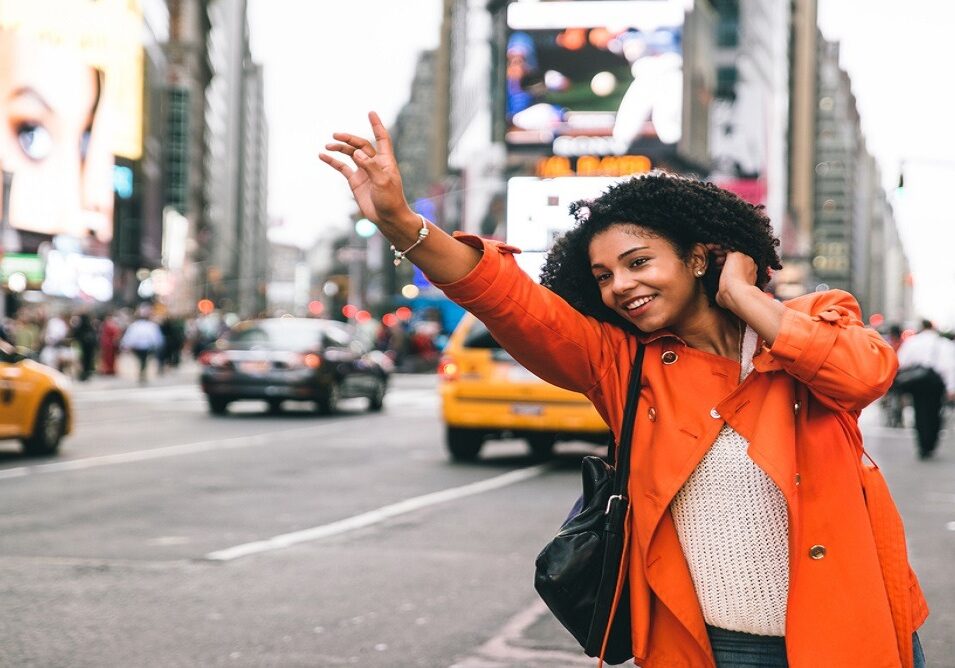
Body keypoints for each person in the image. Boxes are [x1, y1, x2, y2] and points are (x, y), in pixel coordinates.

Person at [321, 112, 928, 667]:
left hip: (856, 634)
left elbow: (862, 376)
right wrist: (403, 222)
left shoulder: (815, 319)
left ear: (699, 256)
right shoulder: (620, 364)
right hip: (710, 649)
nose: (620, 287)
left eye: (639, 263)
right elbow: (505, 297)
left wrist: (744, 296)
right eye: (603, 276)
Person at [895, 319, 955, 459]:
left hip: (918, 382)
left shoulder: (913, 342)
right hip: (935, 383)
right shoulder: (942, 344)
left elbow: (901, 361)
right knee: (934, 411)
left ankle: (922, 444)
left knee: (919, 411)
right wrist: (951, 387)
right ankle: (931, 442)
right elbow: (948, 367)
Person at [120, 307, 164, 383]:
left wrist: (126, 345)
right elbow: (156, 337)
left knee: (142, 360)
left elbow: (130, 336)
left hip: (140, 347)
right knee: (143, 360)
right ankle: (142, 371)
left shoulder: (135, 325)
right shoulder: (149, 325)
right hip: (145, 346)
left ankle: (142, 371)